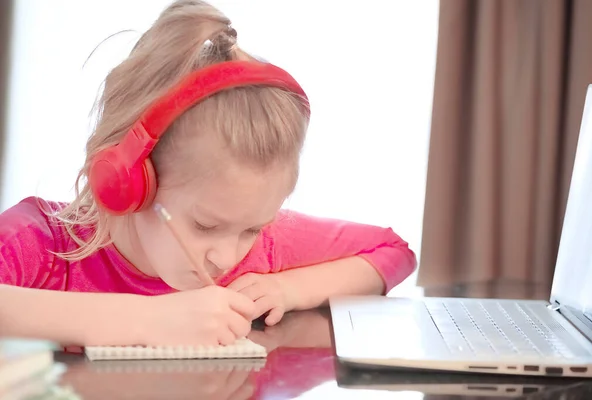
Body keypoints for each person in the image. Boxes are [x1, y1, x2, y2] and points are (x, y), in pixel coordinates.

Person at [0, 0, 416, 347]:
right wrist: (147, 320)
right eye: (205, 225)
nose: (228, 256)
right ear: (128, 183)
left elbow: (393, 252)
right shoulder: (41, 245)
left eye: (252, 229)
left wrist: (289, 290)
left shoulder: (256, 247)